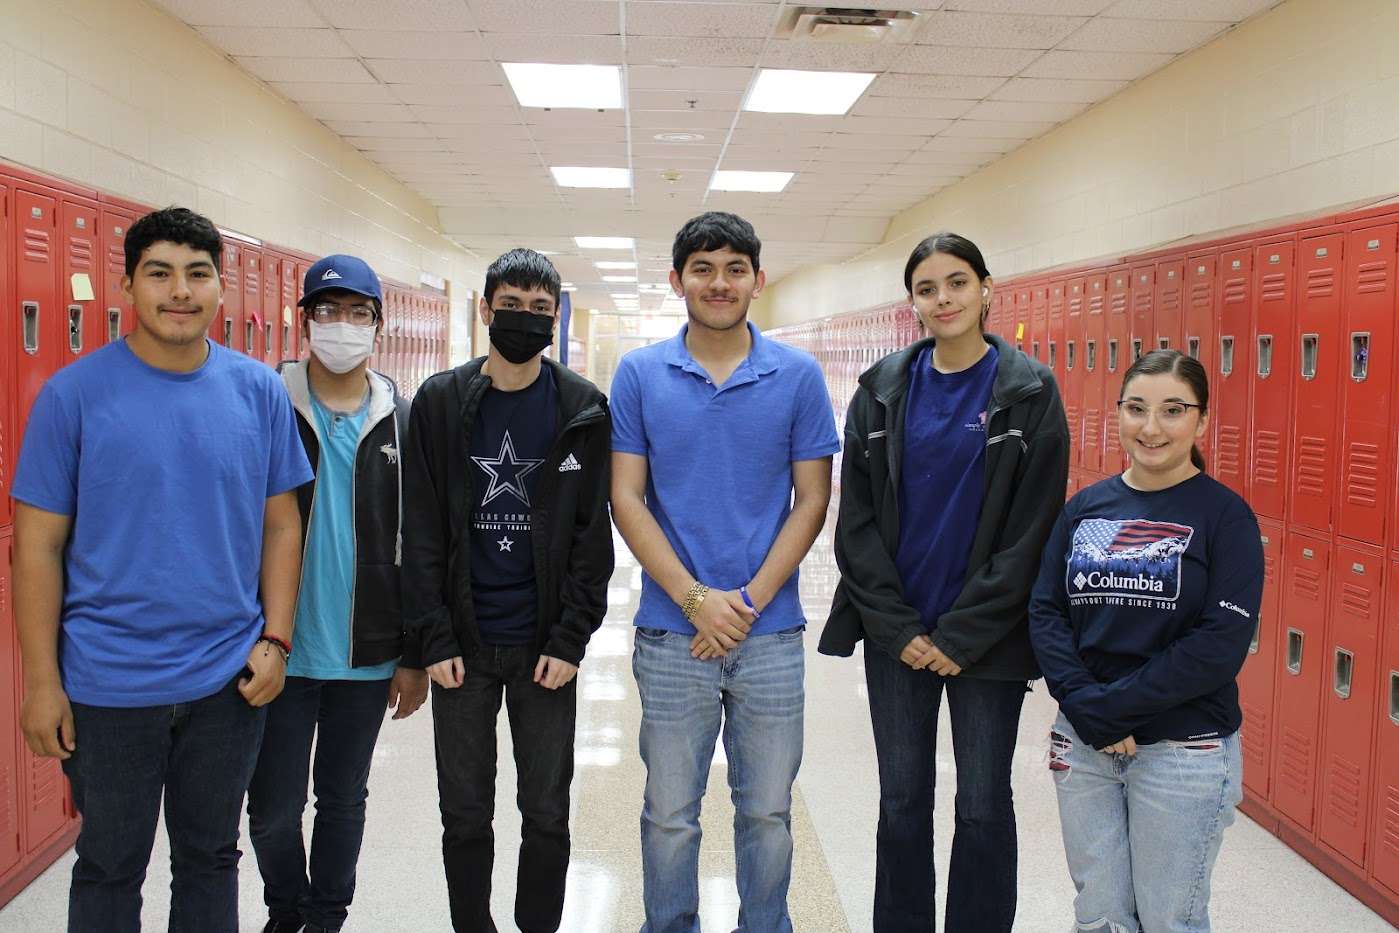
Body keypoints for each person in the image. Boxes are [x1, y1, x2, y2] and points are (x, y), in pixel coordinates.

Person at [12, 206, 311, 933]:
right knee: (110, 865)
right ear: (127, 286)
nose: (180, 291)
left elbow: (281, 523)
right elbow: (37, 545)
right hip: (107, 684)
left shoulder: (258, 392)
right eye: (160, 274)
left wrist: (275, 639)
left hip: (225, 680)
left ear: (218, 288)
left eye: (197, 274)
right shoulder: (72, 395)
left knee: (210, 859)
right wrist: (43, 683)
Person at [819, 231, 1069, 932]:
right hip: (897, 636)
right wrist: (899, 629)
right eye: (927, 288)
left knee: (983, 801)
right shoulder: (881, 389)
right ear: (912, 303)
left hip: (986, 638)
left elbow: (1033, 529)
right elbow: (857, 524)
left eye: (957, 282)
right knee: (900, 799)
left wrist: (959, 634)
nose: (943, 298)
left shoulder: (1028, 391)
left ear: (987, 287)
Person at [610, 211, 840, 933]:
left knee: (767, 810)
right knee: (669, 813)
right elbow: (626, 496)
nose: (719, 281)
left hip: (768, 635)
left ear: (757, 279)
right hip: (669, 632)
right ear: (676, 280)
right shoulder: (640, 373)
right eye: (702, 268)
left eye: (734, 267)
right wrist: (695, 599)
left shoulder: (797, 376)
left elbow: (812, 500)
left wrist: (740, 603)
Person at [401, 248, 613, 933]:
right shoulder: (441, 400)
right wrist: (432, 635)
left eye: (540, 310)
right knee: (464, 812)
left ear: (556, 317)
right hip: (461, 642)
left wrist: (570, 637)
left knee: (546, 811)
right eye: (511, 306)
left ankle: (537, 925)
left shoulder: (582, 406)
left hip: (543, 646)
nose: (524, 319)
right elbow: (422, 525)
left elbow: (590, 536)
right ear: (486, 309)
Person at [1029, 349, 1261, 933]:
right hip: (1084, 747)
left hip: (1183, 750)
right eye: (1136, 409)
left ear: (1201, 421)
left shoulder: (1225, 517)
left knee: (1168, 919)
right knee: (1100, 916)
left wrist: (1109, 709)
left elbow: (1218, 644)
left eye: (1172, 410)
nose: (1151, 428)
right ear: (1118, 415)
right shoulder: (1086, 508)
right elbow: (1047, 611)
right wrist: (1087, 707)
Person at [247, 254, 429, 933]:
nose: (341, 325)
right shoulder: (266, 401)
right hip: (278, 647)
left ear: (378, 326)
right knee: (270, 806)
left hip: (368, 649)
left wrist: (415, 652)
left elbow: (422, 545)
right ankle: (285, 906)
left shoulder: (402, 419)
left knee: (343, 797)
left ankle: (326, 917)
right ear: (303, 320)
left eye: (358, 312)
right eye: (327, 310)